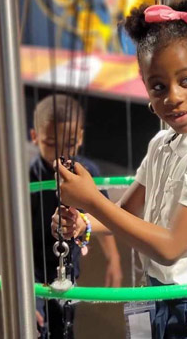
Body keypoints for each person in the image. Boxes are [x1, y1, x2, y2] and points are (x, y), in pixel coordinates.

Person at [52, 0, 187, 338]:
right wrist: (83, 223)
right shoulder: (162, 145)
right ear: (146, 88)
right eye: (159, 86)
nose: (173, 97)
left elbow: (171, 246)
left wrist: (91, 201)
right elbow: (127, 212)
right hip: (162, 296)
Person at [30, 95, 122, 339]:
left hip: (69, 268)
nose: (60, 153)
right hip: (33, 270)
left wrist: (113, 258)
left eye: (69, 143)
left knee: (64, 327)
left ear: (80, 137)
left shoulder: (88, 172)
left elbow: (104, 215)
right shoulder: (28, 176)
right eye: (50, 143)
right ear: (34, 137)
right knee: (35, 327)